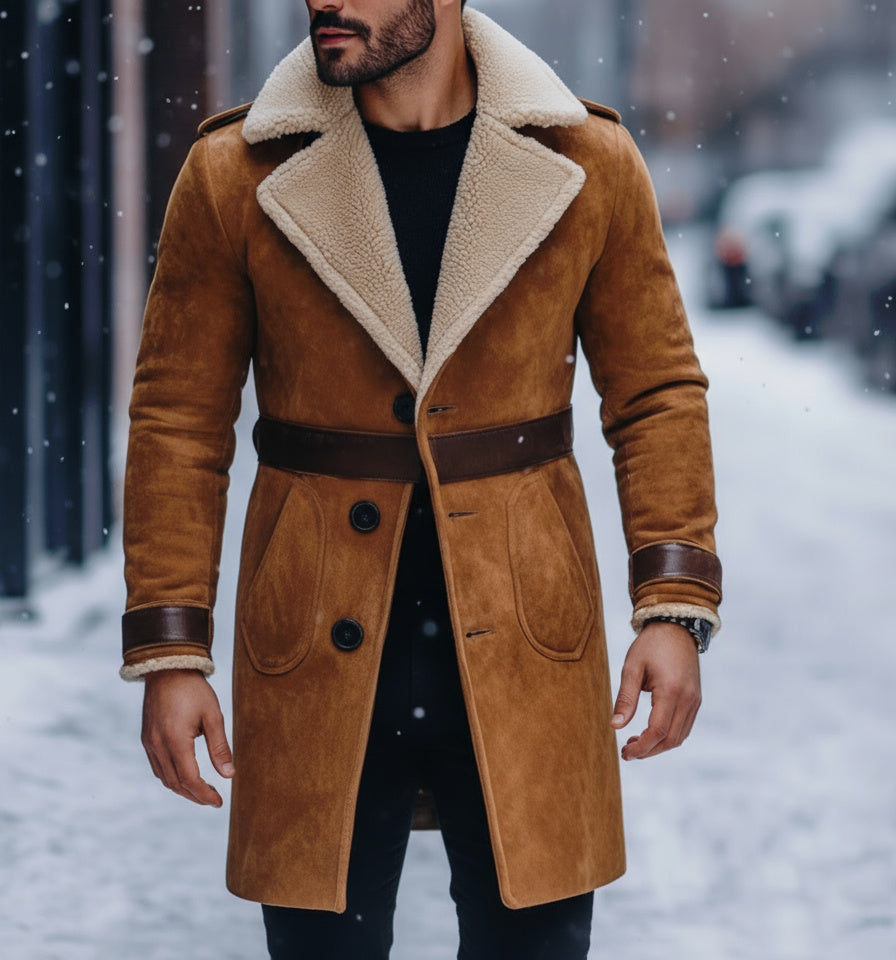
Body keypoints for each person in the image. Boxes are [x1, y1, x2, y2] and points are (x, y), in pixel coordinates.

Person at [120, 1, 722, 957]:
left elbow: (655, 395)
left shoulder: (587, 162)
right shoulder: (235, 172)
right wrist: (170, 651)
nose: (325, 2)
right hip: (314, 642)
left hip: (527, 634)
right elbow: (178, 425)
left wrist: (673, 604)